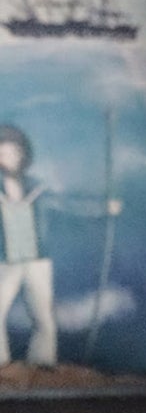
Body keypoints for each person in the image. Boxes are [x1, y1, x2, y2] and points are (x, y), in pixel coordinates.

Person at [0, 124, 56, 367]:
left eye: (10, 152)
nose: (5, 158)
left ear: (21, 154)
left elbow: (66, 209)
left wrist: (102, 211)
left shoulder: (37, 187)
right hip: (4, 261)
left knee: (43, 317)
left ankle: (42, 364)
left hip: (37, 261)